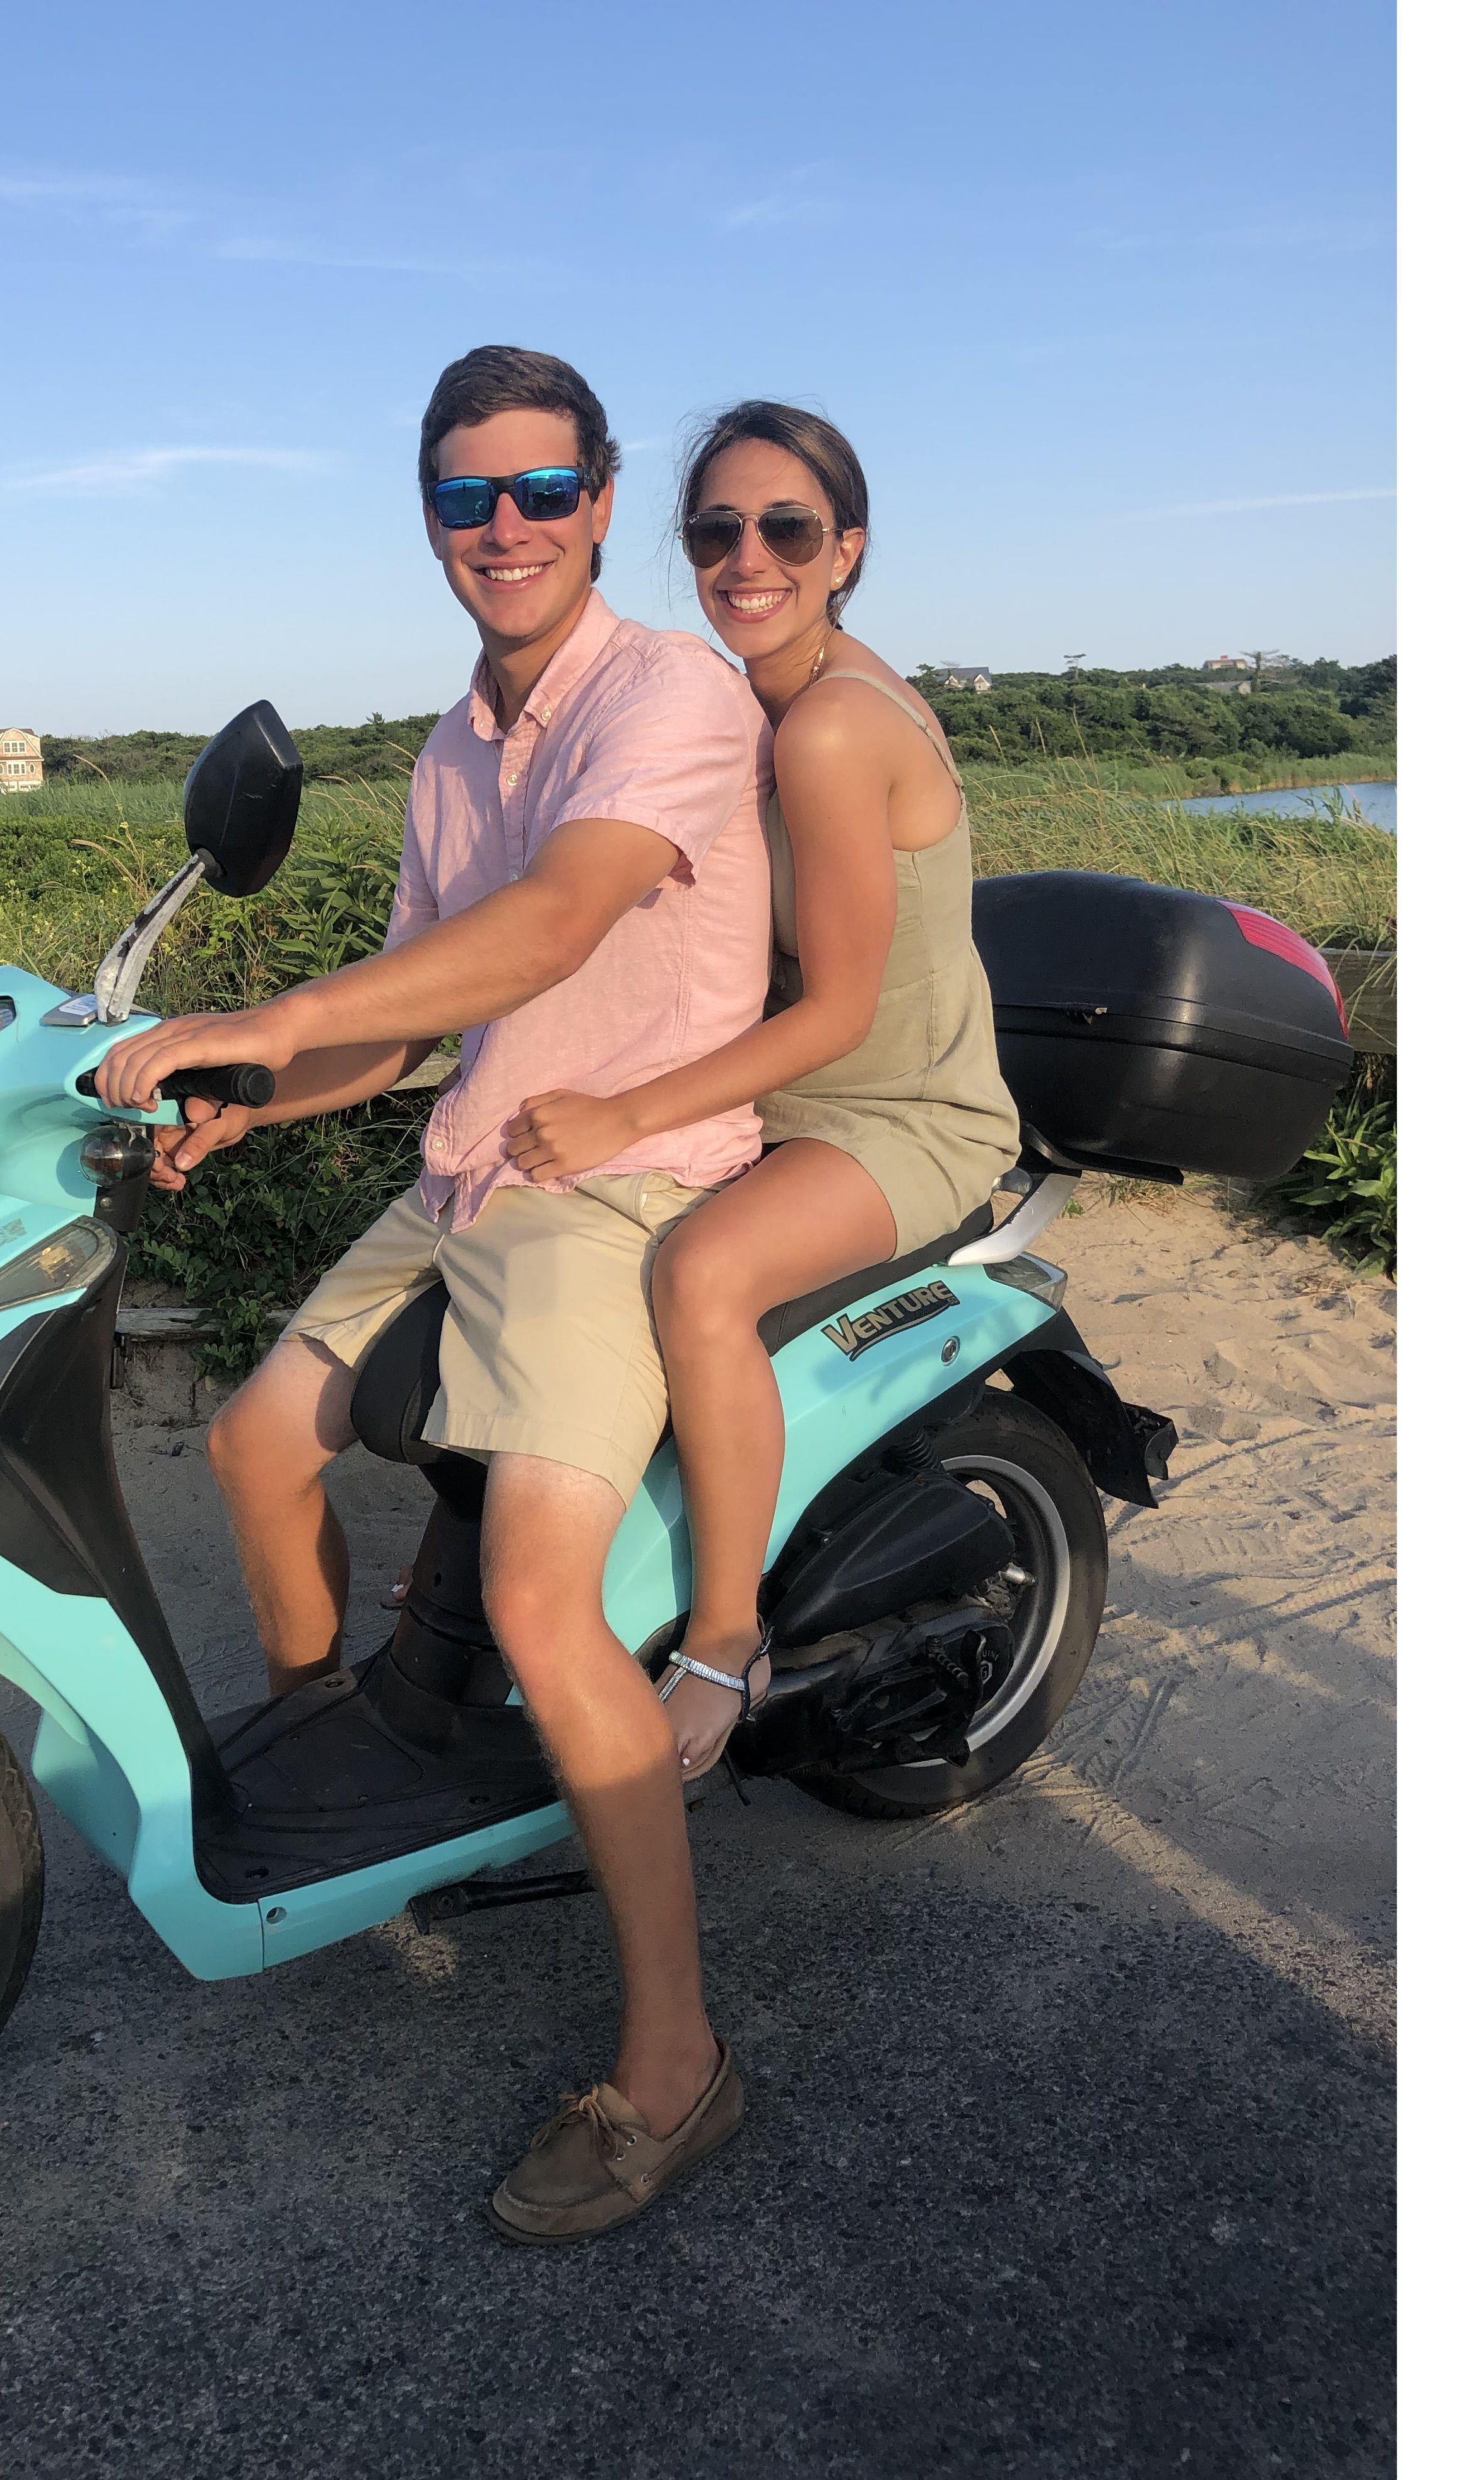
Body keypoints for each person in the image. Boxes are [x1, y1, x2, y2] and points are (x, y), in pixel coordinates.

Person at [97, 346, 772, 2243]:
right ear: (429, 519)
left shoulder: (672, 695)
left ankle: (677, 2064)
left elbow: (552, 925)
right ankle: (352, 1779)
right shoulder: (448, 751)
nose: (507, 527)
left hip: (622, 1182)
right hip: (475, 1161)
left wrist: (267, 1010)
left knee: (545, 1603)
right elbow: (419, 1027)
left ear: (601, 505)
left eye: (543, 490)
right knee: (254, 1450)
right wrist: (257, 1089)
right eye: (468, 497)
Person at [500, 402, 1022, 1778]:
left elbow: (842, 1009)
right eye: (715, 529)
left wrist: (627, 1111)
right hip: (788, 1095)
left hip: (903, 1111)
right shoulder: (740, 704)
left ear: (846, 549)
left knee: (701, 1276)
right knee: (563, 1239)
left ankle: (726, 1641)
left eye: (787, 528)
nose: (748, 558)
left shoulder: (831, 727)